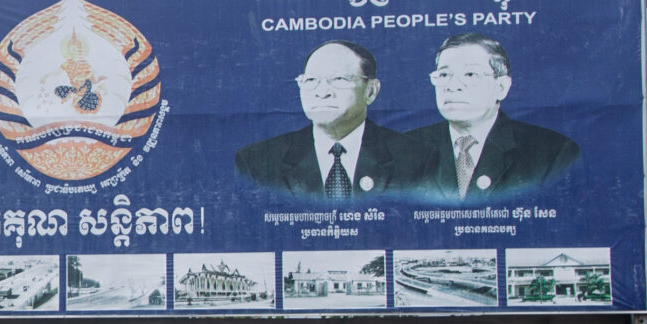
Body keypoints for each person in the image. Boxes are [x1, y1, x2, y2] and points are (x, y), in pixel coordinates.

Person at [235, 40, 436, 199]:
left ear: (371, 91)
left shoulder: (416, 159)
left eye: (339, 79)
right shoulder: (257, 162)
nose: (322, 93)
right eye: (311, 81)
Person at [403, 33, 579, 198]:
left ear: (501, 87)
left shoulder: (553, 153)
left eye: (470, 74)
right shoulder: (405, 149)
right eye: (444, 75)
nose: (452, 86)